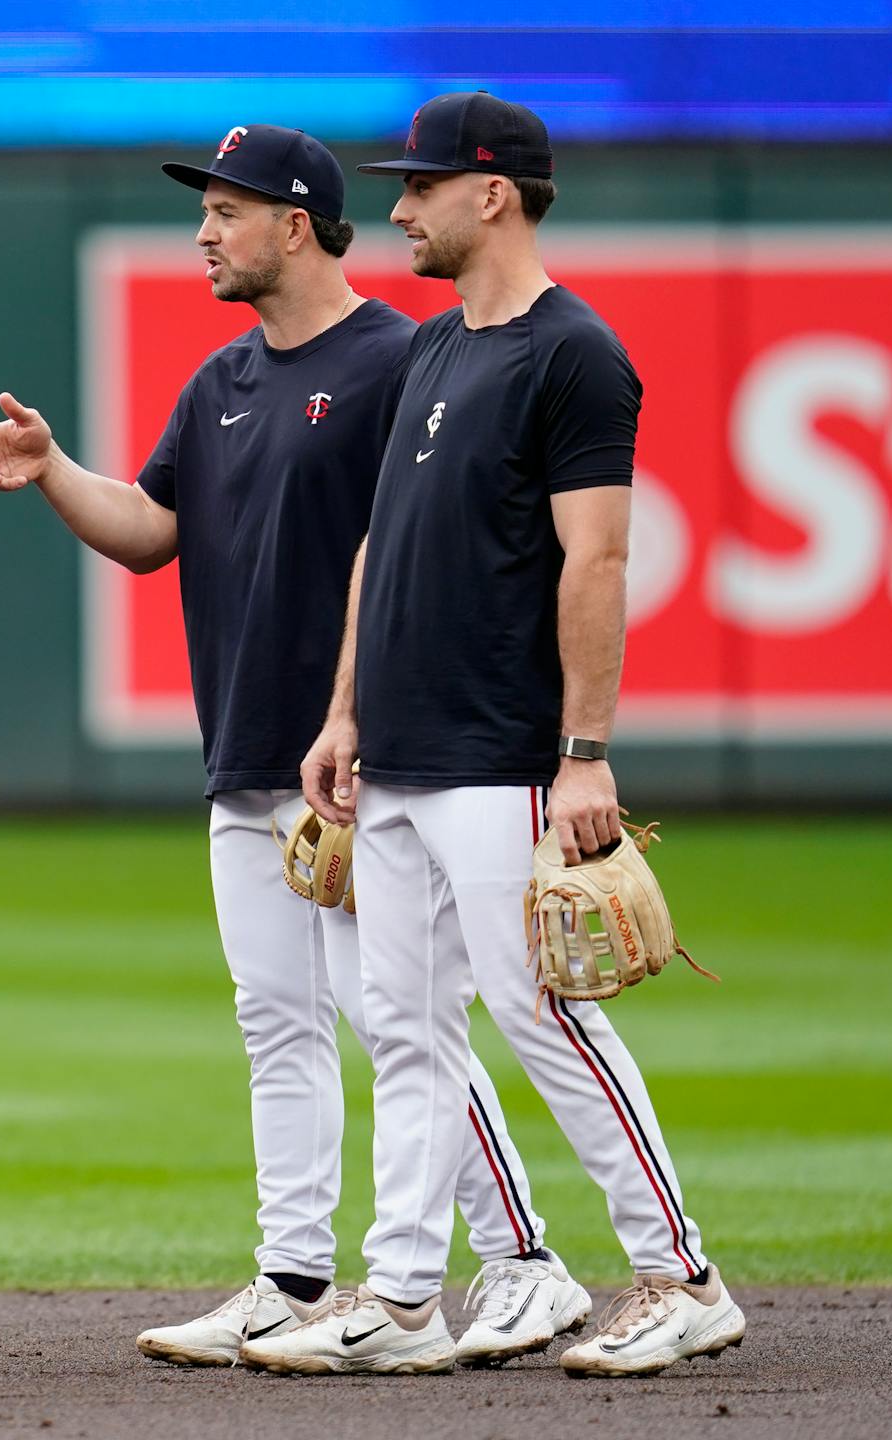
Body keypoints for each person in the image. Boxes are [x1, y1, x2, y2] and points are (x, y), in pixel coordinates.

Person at [0, 124, 579, 1370]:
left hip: (366, 762)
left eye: (226, 211)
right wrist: (57, 469)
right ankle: (293, 1277)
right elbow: (148, 530)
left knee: (396, 1019)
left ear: (296, 224)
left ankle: (522, 1260)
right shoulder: (223, 379)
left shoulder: (404, 360)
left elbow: (460, 548)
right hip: (245, 753)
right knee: (277, 1019)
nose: (204, 233)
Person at [251, 91, 744, 1378]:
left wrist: (584, 750)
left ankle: (679, 1274)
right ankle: (408, 1296)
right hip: (400, 747)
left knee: (542, 1015)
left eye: (419, 187)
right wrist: (346, 709)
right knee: (406, 1024)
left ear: (495, 195)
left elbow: (600, 555)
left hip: (502, 749)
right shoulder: (436, 350)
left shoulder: (573, 352)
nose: (398, 209)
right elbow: (379, 547)